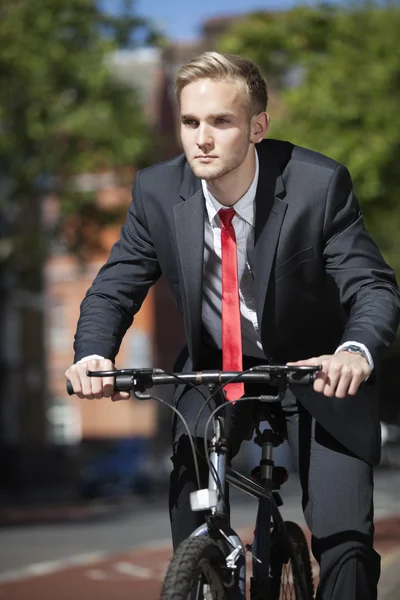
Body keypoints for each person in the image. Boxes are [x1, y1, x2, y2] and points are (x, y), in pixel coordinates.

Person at [65, 52, 400, 599]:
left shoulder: (318, 186)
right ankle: (205, 575)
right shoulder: (156, 192)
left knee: (345, 545)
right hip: (214, 369)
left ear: (257, 128)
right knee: (191, 511)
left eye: (221, 122)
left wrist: (355, 350)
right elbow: (115, 284)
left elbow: (372, 286)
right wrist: (92, 354)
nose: (202, 138)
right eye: (190, 122)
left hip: (314, 370)